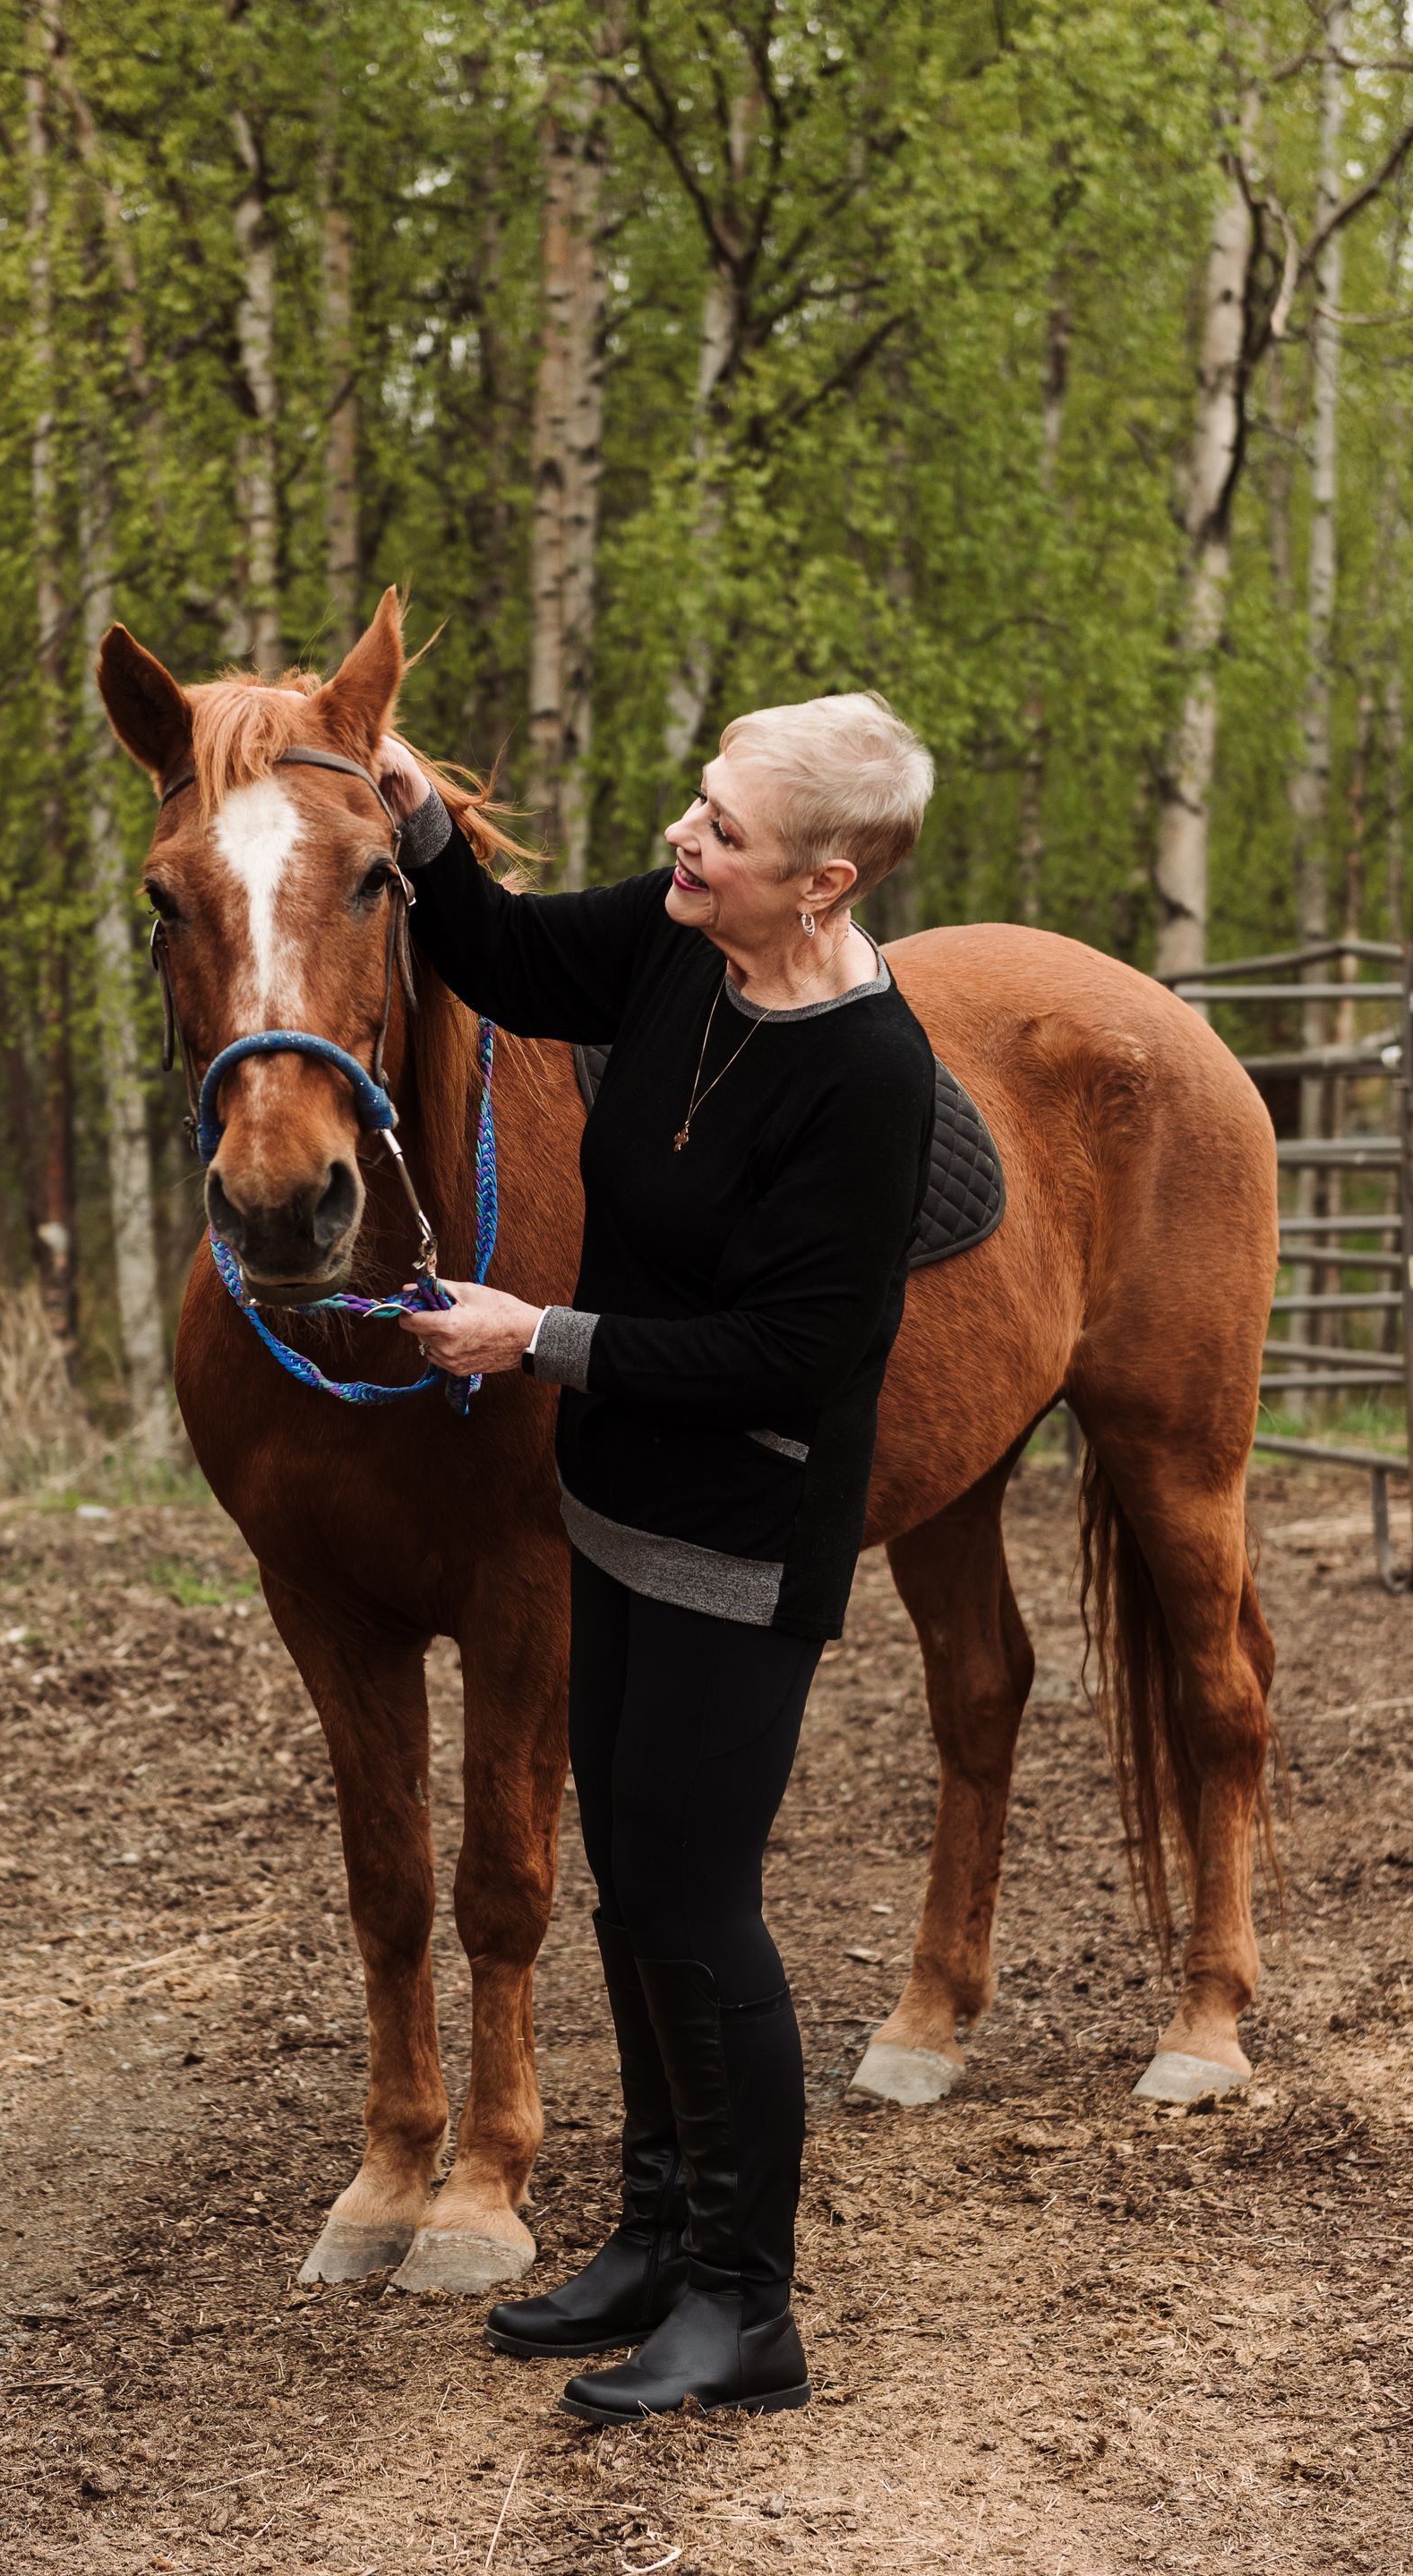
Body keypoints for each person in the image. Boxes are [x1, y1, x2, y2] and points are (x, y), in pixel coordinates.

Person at [378, 693, 937, 2426]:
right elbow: (514, 959)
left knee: (703, 1911)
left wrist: (537, 1336)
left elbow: (795, 1357)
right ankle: (651, 2243)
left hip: (742, 1539)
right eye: (697, 806)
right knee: (633, 1886)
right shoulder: (689, 935)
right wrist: (417, 830)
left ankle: (748, 2309)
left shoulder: (869, 1072)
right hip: (618, 1512)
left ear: (823, 879)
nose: (686, 840)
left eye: (727, 831)